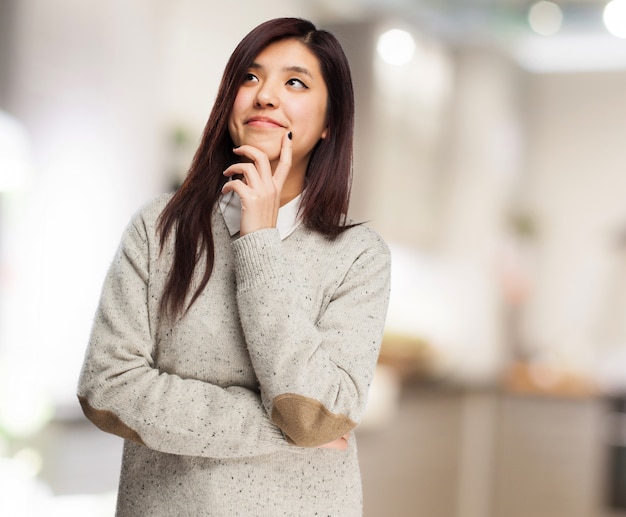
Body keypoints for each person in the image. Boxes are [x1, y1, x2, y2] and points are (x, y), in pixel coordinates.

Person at [77, 17, 391, 516]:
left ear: (330, 120)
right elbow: (108, 388)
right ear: (230, 102)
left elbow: (314, 412)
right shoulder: (159, 228)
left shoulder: (358, 257)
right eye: (250, 77)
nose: (265, 95)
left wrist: (259, 238)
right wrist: (281, 429)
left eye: (295, 82)